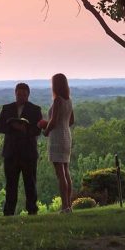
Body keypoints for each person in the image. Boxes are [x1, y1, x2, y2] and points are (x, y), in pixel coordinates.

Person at [0, 82, 43, 215]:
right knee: (11, 185)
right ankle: (9, 212)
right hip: (11, 153)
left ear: (28, 95)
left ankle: (32, 211)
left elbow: (38, 130)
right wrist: (13, 126)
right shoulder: (7, 108)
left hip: (28, 153)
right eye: (19, 94)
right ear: (15, 94)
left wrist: (25, 129)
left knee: (30, 184)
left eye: (24, 94)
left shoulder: (35, 109)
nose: (21, 97)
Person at [42, 73, 75, 212]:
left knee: (60, 174)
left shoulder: (58, 101)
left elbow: (54, 121)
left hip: (57, 137)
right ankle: (69, 204)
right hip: (66, 135)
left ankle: (65, 205)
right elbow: (71, 121)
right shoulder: (69, 100)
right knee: (66, 171)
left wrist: (45, 130)